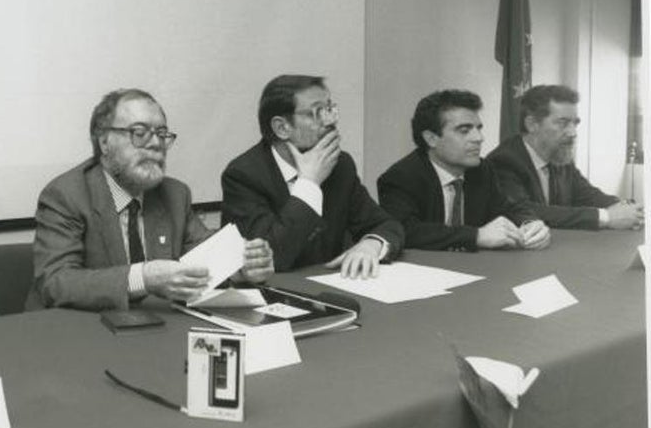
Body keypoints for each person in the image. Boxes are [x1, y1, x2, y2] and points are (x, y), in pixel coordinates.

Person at [34, 88, 273, 311]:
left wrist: (241, 268)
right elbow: (55, 283)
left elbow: (202, 256)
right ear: (104, 142)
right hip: (82, 332)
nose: (156, 143)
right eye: (139, 133)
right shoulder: (67, 194)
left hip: (155, 328)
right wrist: (143, 278)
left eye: (161, 133)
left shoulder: (175, 194)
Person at [221, 75, 403, 279]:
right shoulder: (244, 175)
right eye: (318, 112)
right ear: (282, 128)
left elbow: (387, 224)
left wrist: (371, 244)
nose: (331, 121)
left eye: (330, 109)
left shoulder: (340, 165)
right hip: (277, 296)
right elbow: (272, 258)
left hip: (335, 288)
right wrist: (309, 183)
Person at [378, 89, 550, 251]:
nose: (479, 138)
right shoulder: (401, 177)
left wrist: (529, 223)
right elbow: (404, 231)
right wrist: (476, 236)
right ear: (431, 138)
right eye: (464, 130)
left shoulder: (482, 170)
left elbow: (508, 208)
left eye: (478, 128)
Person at [487, 84, 642, 231]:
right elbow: (526, 212)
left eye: (575, 123)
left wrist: (627, 209)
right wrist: (606, 217)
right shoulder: (504, 161)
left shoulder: (559, 156)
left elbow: (588, 195)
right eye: (563, 123)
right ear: (532, 124)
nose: (573, 133)